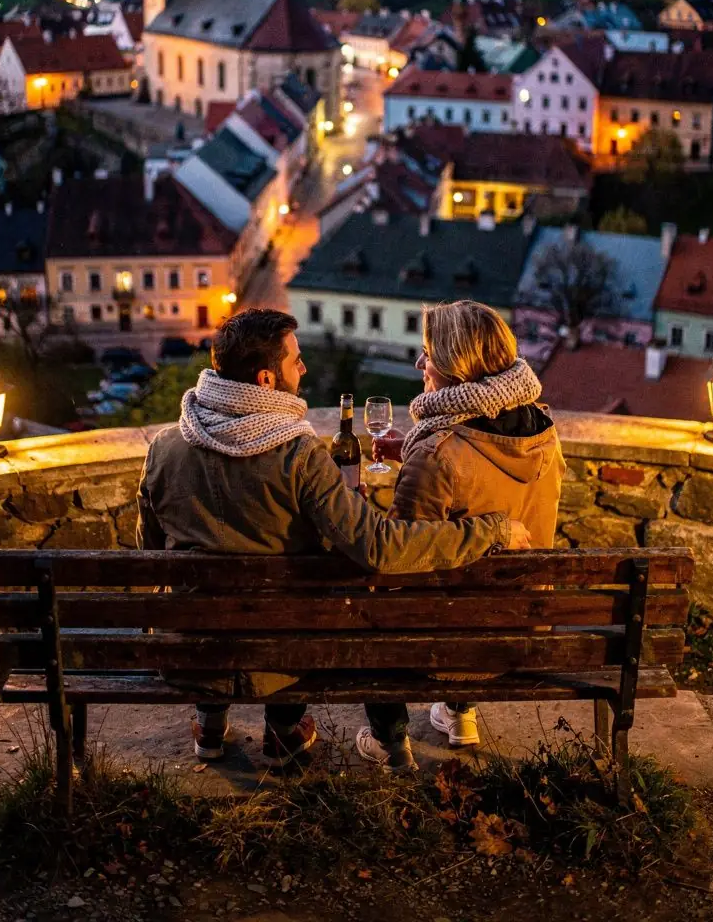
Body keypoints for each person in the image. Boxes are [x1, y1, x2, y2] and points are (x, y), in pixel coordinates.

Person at [137, 307, 531, 773]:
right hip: (279, 658)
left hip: (189, 653)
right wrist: (490, 530)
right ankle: (284, 730)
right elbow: (379, 549)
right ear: (266, 379)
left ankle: (209, 723)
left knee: (209, 594)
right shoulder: (300, 456)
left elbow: (151, 551)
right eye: (295, 361)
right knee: (294, 608)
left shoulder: (164, 447)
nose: (303, 368)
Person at [367, 299, 564, 753]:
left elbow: (401, 558)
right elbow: (486, 483)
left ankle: (388, 743)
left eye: (429, 354)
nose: (420, 363)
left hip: (454, 644)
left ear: (458, 368)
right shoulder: (544, 434)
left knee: (369, 598)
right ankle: (460, 715)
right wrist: (414, 454)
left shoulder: (437, 453)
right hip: (522, 628)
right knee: (481, 580)